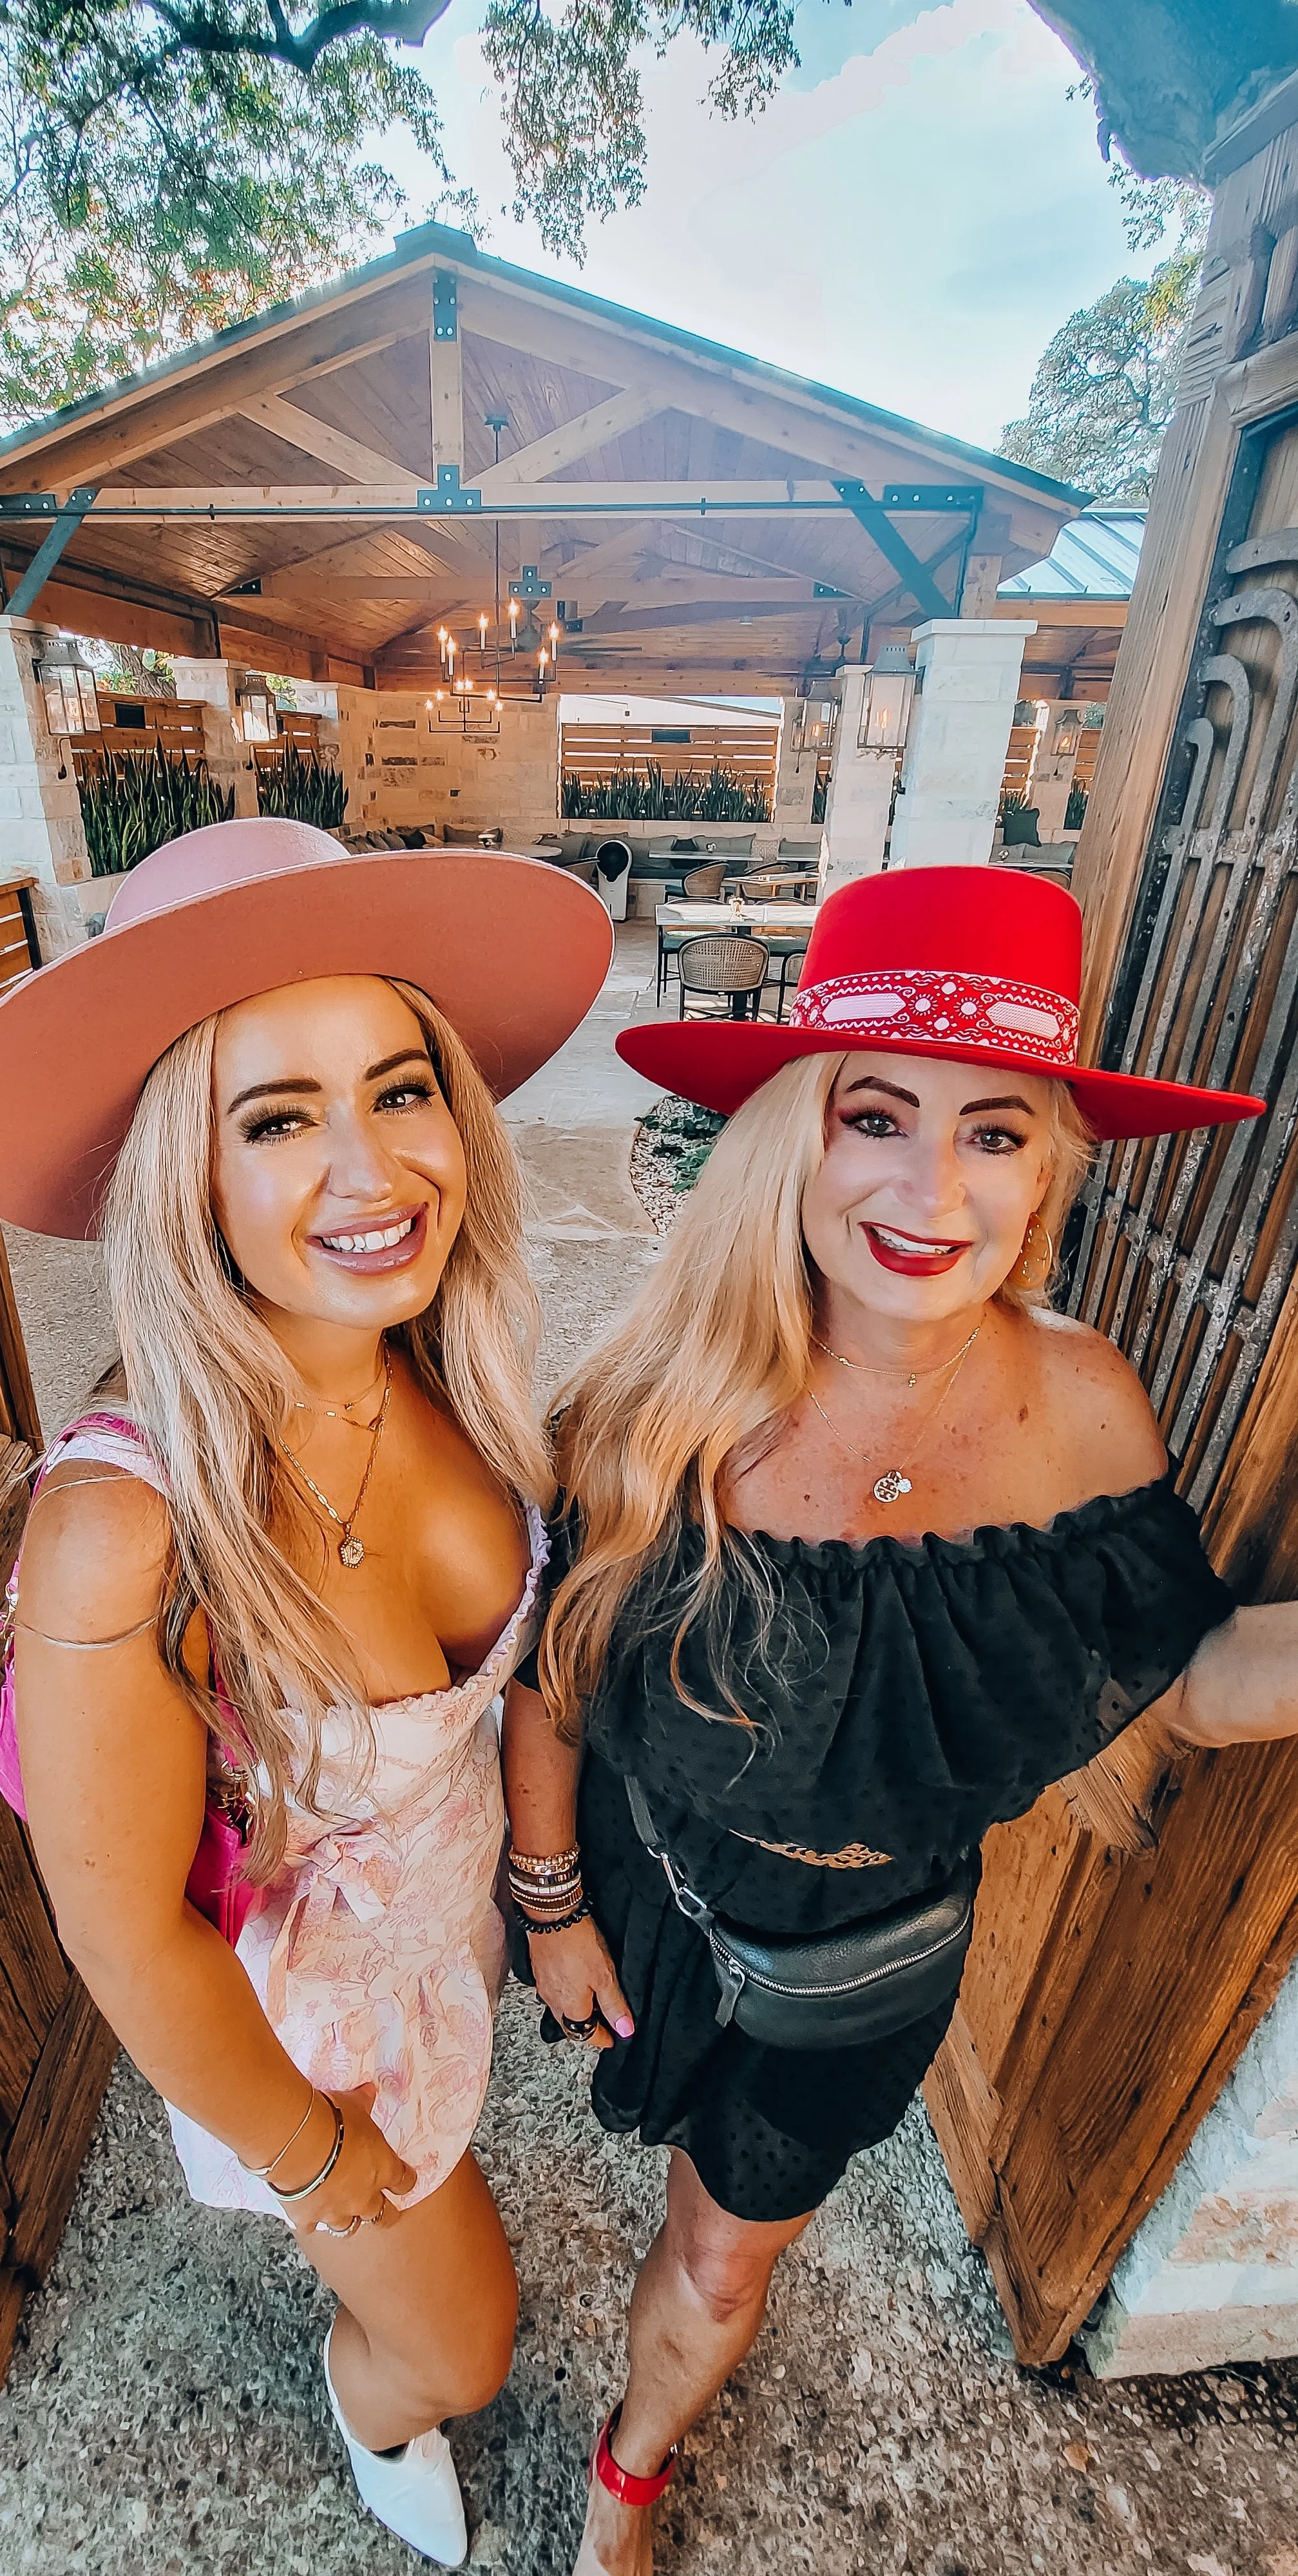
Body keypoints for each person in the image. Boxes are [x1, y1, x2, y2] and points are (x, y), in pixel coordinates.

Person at [501, 863, 1298, 2576]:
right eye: (878, 1115)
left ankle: (627, 2469)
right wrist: (550, 1900)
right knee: (665, 2182)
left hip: (864, 1958)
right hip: (652, 1896)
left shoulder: (1083, 1402)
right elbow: (553, 1675)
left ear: (1046, 1168)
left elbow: (1183, 1672)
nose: (932, 1186)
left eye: (995, 1132)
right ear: (796, 1136)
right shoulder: (652, 1400)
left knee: (725, 2258)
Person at [0, 817, 611, 2571]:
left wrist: (542, 1897)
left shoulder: (447, 1363)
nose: (374, 1166)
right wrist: (322, 2167)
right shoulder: (121, 1527)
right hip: (304, 2030)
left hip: (446, 1931)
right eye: (278, 1115)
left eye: (399, 1089)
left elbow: (515, 1685)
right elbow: (126, 1937)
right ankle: (362, 2389)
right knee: (463, 2344)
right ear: (184, 1168)